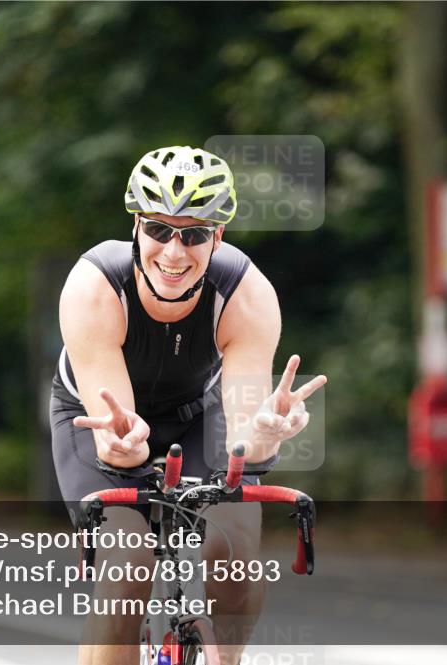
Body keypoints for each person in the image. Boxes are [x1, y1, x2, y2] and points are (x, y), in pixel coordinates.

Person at [49, 145, 326, 665]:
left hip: (200, 415)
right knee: (128, 563)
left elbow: (243, 440)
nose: (174, 252)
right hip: (102, 421)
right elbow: (120, 444)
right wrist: (129, 450)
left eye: (194, 234)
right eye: (159, 229)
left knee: (236, 556)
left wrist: (266, 432)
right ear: (135, 226)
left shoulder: (245, 294)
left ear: (217, 237)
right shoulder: (94, 287)